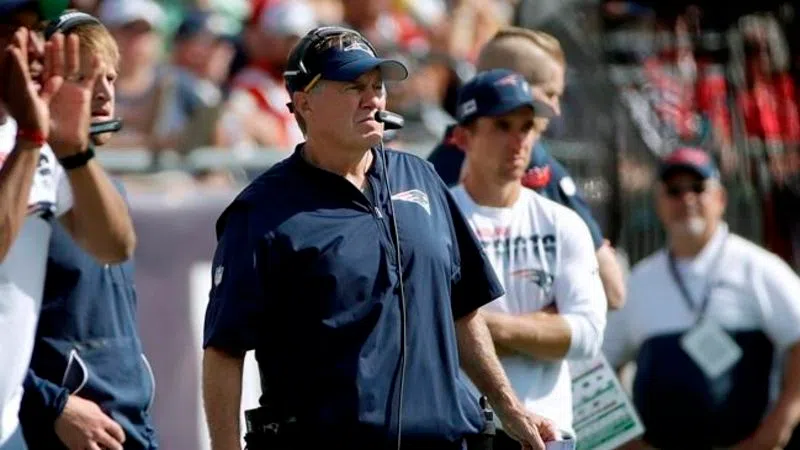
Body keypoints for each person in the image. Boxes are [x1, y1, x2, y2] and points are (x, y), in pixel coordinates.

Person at [202, 26, 557, 450]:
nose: (372, 99)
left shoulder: (421, 177)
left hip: (448, 440)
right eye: (354, 87)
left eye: (377, 86)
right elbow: (224, 351)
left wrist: (509, 406)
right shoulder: (260, 213)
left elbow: (462, 309)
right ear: (304, 102)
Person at [17, 10, 158, 450]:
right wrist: (53, 405)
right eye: (82, 77)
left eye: (110, 78)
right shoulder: (15, 184)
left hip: (126, 424)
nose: (103, 93)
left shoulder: (104, 188)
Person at [449, 68, 607, 448]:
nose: (519, 140)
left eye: (527, 126)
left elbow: (587, 336)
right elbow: (423, 336)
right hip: (460, 433)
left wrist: (472, 327)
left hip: (546, 436)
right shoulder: (436, 217)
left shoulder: (561, 222)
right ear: (463, 136)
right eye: (502, 126)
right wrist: (543, 324)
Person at [603, 147, 800, 449]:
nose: (687, 199)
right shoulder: (639, 281)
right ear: (659, 202)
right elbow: (600, 362)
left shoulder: (758, 268)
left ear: (720, 198)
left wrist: (777, 428)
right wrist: (625, 441)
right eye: (674, 191)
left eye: (698, 188)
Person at [427, 27, 627, 311]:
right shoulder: (434, 181)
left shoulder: (430, 171)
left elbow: (611, 291)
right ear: (511, 84)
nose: (556, 109)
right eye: (550, 94)